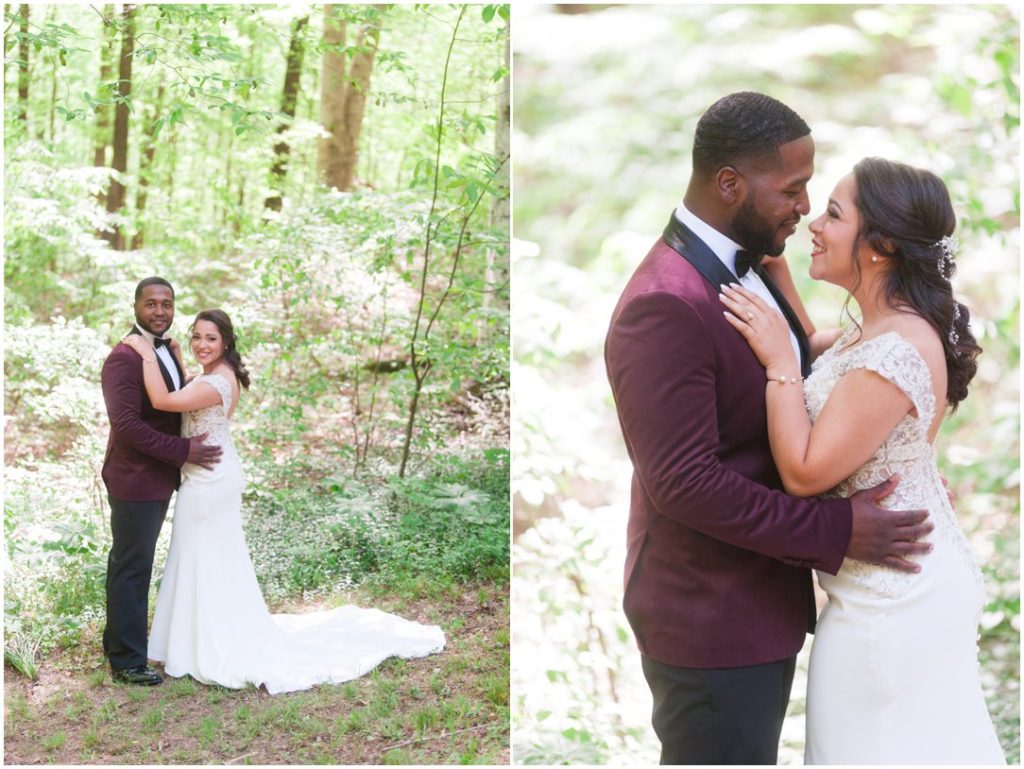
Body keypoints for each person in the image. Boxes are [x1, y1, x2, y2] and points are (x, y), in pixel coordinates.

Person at [603, 92, 935, 764]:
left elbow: (800, 375)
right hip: (708, 619)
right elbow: (686, 484)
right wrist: (838, 531)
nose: (805, 207)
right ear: (730, 184)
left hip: (758, 604)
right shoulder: (663, 303)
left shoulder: (755, 266)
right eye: (793, 188)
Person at [719, 157, 1005, 763]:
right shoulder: (878, 330)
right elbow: (820, 353)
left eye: (833, 213)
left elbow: (802, 472)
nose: (814, 224)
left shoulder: (897, 349)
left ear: (880, 246)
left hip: (892, 599)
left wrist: (779, 368)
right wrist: (772, 264)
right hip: (890, 583)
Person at [120, 309, 445, 694]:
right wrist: (173, 353)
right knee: (204, 555)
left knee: (202, 555)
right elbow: (185, 390)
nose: (202, 345)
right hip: (207, 474)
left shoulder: (216, 383)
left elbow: (161, 400)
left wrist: (142, 351)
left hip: (211, 479)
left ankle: (211, 642)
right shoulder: (212, 376)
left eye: (211, 338)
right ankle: (198, 637)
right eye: (196, 337)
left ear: (226, 341)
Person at [101, 276, 223, 686]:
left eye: (166, 304)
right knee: (132, 566)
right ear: (136, 307)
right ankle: (128, 662)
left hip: (160, 477)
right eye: (151, 304)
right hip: (135, 478)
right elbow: (128, 426)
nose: (159, 311)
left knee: (128, 562)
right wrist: (183, 452)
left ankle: (119, 643)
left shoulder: (169, 349)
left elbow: (174, 404)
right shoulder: (123, 357)